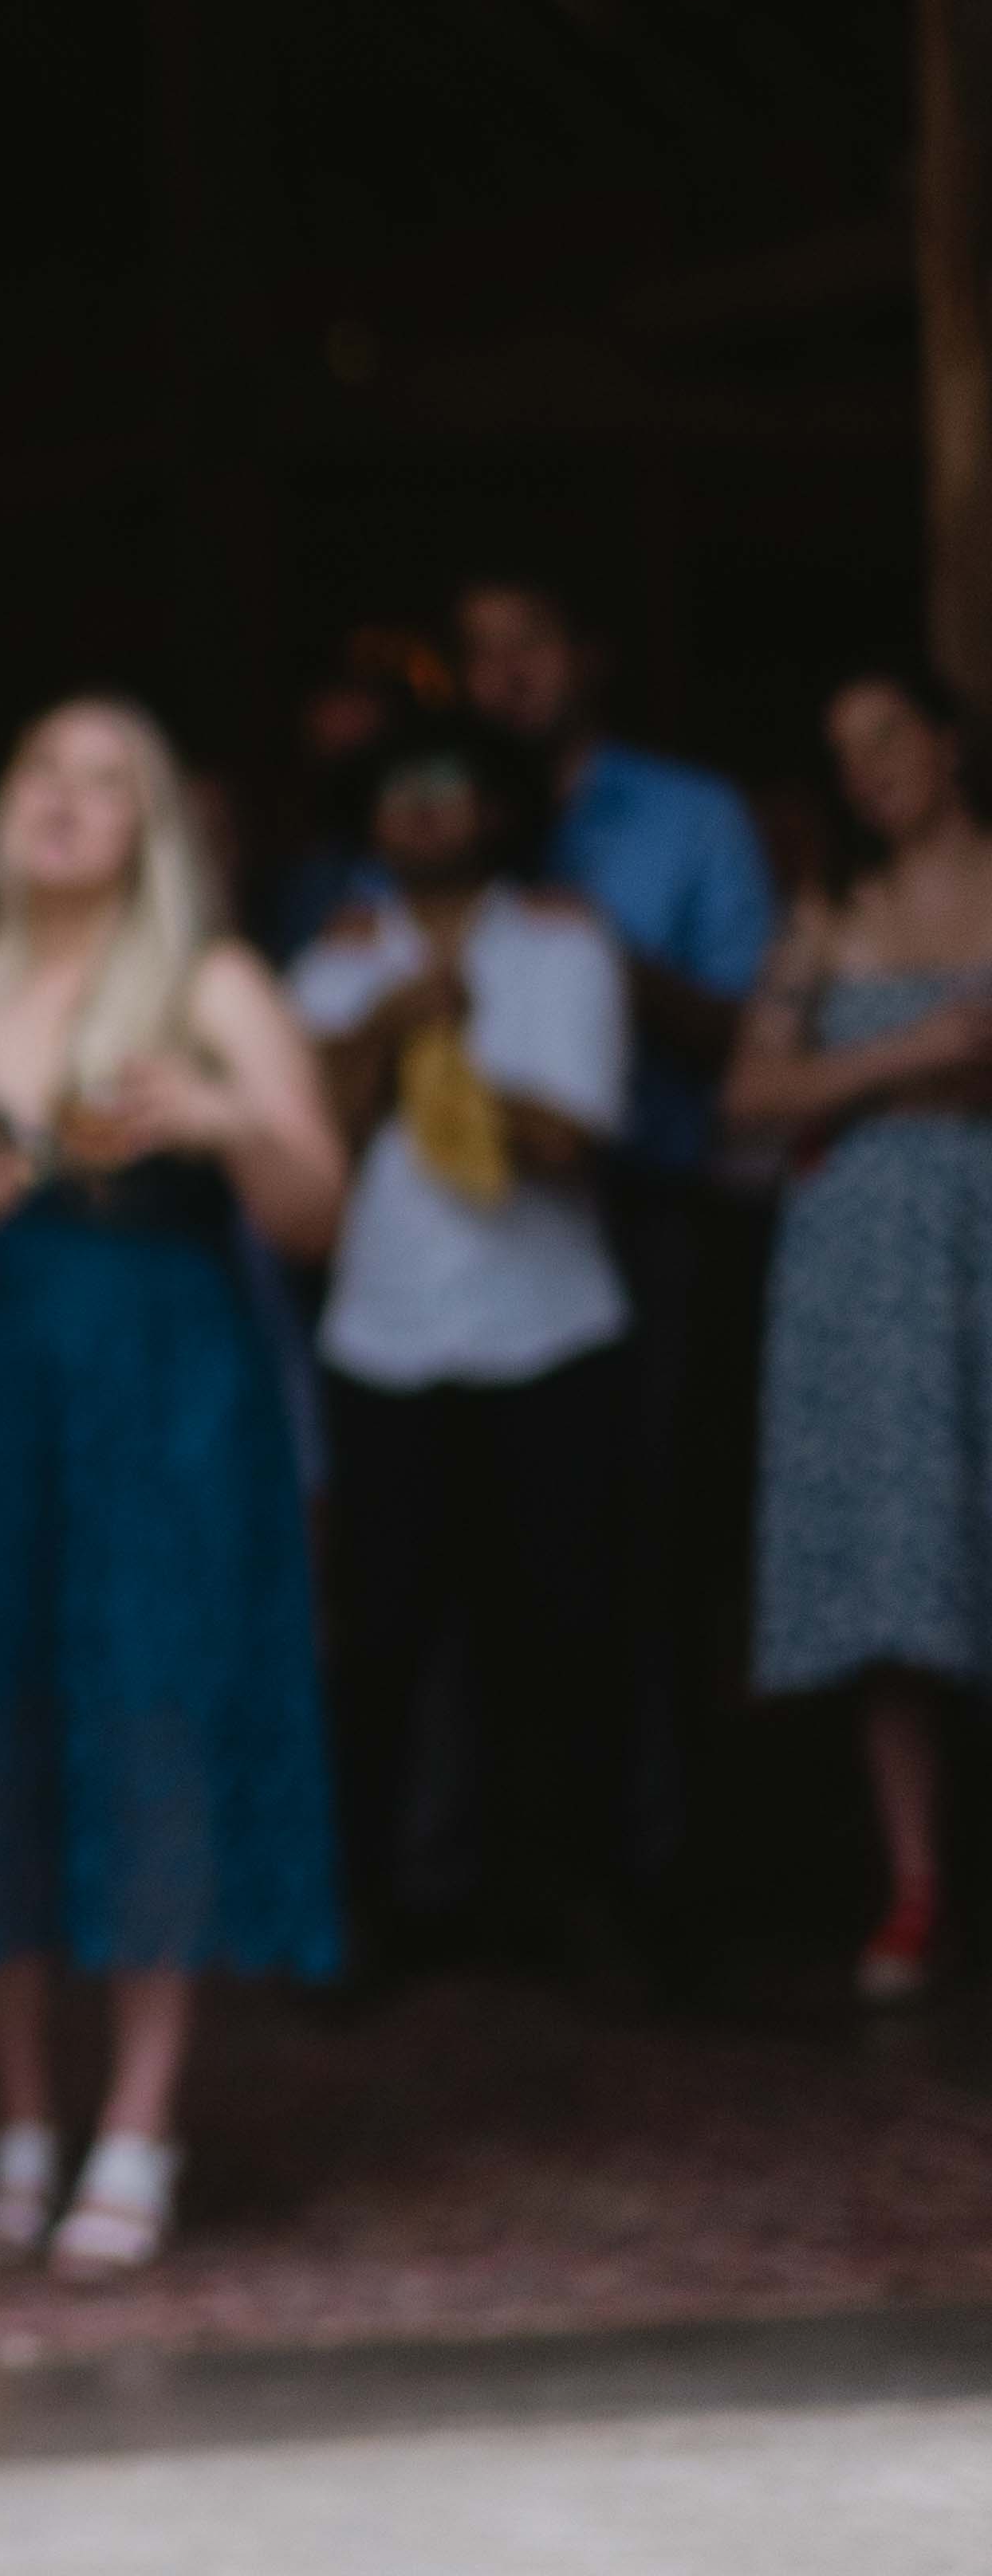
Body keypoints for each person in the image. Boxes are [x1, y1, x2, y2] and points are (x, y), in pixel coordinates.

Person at [0, 697, 348, 2279]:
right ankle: (13, 2116)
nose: (62, 802)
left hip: (163, 1397)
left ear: (151, 824)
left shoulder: (208, 984)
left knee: (148, 1725)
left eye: (101, 782)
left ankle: (135, 2119)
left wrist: (219, 1115)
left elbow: (318, 1213)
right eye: (37, 771)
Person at [285, 711, 636, 1972]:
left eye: (451, 786)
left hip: (549, 1332)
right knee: (378, 1639)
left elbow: (577, 1140)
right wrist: (387, 1025)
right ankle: (370, 1911)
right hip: (384, 1335)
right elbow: (301, 1151)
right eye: (399, 789)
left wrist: (458, 1056)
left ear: (497, 808)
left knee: (566, 1630)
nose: (424, 809)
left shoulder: (563, 945)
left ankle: (578, 1902)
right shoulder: (332, 960)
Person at [453, 573, 772, 1887]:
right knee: (484, 1539)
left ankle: (657, 1870)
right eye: (476, 653)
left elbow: (754, 1036)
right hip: (474, 1221)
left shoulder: (690, 816)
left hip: (646, 1216)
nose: (503, 674)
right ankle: (497, 1865)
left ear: (585, 653)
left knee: (643, 1545)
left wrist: (604, 962)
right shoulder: (437, 821)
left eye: (526, 643)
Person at [732, 664, 992, 2001]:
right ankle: (914, 1882)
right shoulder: (830, 914)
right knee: (898, 1560)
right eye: (844, 752)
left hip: (981, 1223)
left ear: (949, 744)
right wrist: (905, 1054)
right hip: (869, 1254)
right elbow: (750, 1092)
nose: (869, 768)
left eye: (889, 736)